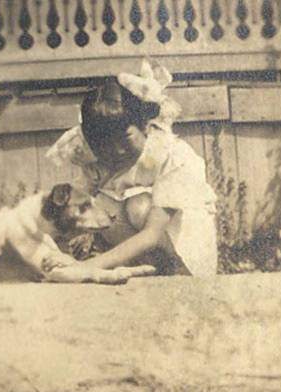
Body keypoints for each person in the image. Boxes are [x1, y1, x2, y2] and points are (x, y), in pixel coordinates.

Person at [46, 60, 217, 277]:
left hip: (180, 249)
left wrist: (86, 267)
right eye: (103, 143)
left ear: (144, 126)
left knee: (138, 206)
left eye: (125, 138)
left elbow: (153, 233)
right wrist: (55, 250)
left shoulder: (172, 155)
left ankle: (168, 272)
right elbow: (70, 210)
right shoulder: (97, 161)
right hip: (140, 250)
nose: (116, 151)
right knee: (101, 205)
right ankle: (139, 269)